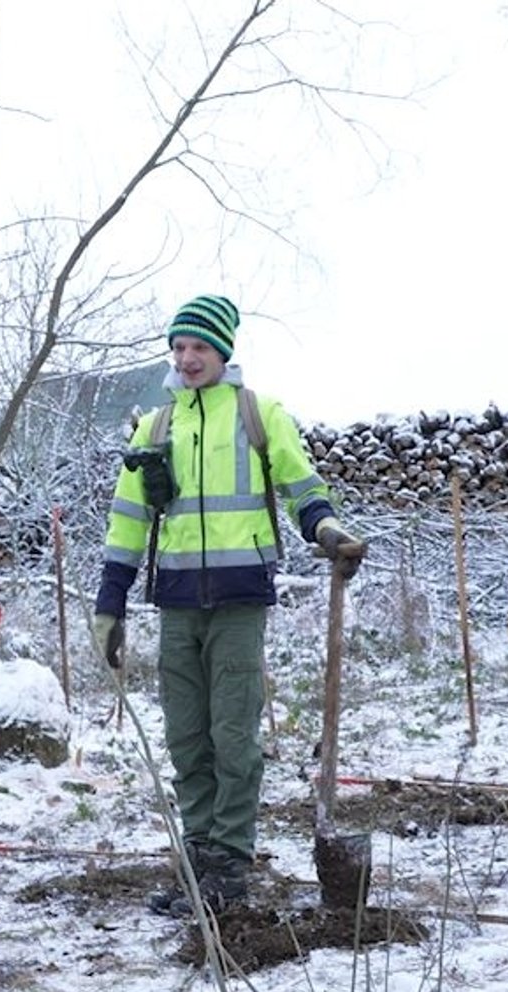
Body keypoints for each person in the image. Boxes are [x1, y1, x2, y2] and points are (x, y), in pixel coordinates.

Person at [91, 294, 360, 916]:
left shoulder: (259, 415)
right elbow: (127, 520)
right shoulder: (155, 427)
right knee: (187, 738)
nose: (187, 359)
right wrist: (112, 602)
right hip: (178, 602)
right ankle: (199, 859)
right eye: (179, 348)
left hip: (240, 600)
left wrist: (326, 531)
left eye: (199, 348)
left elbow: (302, 488)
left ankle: (228, 871)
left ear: (222, 352)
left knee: (232, 736)